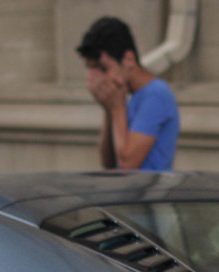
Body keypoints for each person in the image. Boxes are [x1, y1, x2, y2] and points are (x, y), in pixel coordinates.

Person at [77, 16, 179, 171]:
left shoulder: (156, 94)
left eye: (104, 69)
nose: (99, 79)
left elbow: (128, 165)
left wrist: (117, 108)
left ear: (129, 59)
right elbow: (109, 163)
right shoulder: (128, 97)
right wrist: (109, 108)